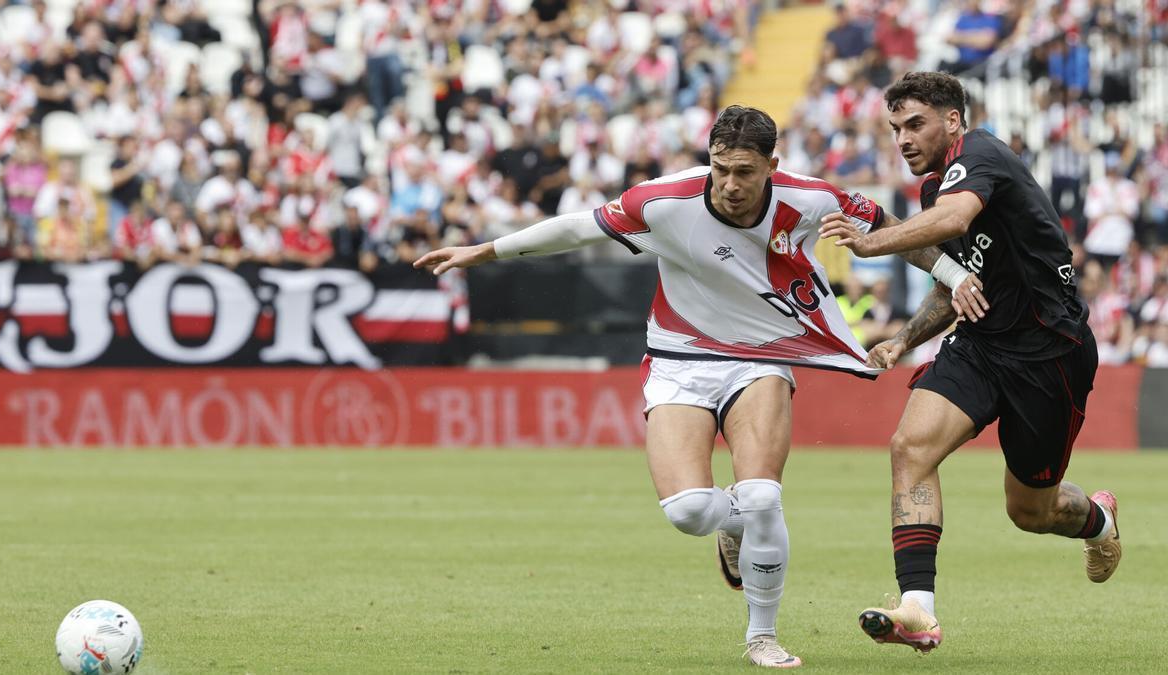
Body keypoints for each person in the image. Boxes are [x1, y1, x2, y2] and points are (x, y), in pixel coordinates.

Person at [415, 105, 981, 668]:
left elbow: (894, 231)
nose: (731, 185)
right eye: (720, 169)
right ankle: (731, 526)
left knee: (762, 496)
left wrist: (956, 278)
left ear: (771, 166)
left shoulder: (809, 198)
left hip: (761, 358)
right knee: (687, 511)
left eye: (745, 172)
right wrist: (486, 251)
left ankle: (762, 637)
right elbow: (574, 229)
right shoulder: (662, 201)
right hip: (680, 359)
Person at [818, 72, 1119, 653]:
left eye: (915, 125)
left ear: (952, 120)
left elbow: (954, 222)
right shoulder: (936, 190)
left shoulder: (981, 155)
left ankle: (1098, 520)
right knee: (911, 446)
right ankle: (917, 610)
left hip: (1049, 354)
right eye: (894, 129)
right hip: (982, 346)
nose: (903, 139)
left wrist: (871, 241)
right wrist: (903, 341)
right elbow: (956, 283)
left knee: (1031, 511)